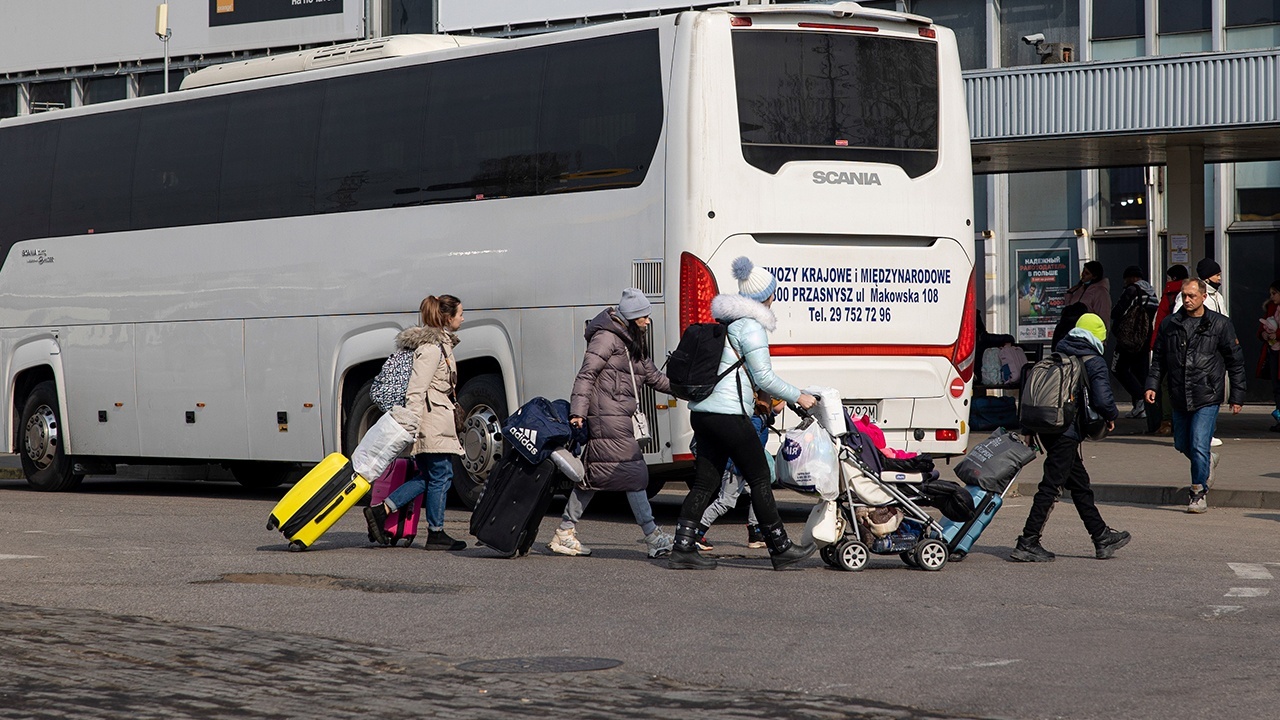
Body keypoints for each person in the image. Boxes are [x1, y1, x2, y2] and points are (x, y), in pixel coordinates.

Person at [668, 257, 818, 571]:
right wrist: (799, 396)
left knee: (706, 483)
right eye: (773, 293)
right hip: (728, 416)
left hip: (704, 414)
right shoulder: (751, 326)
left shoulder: (727, 322)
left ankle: (683, 546)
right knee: (760, 478)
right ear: (765, 296)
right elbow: (764, 378)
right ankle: (780, 547)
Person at [550, 288, 674, 558]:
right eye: (643, 316)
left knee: (594, 475)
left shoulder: (630, 340)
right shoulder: (606, 338)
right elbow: (586, 374)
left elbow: (653, 376)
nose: (648, 321)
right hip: (607, 416)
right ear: (631, 317)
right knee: (633, 474)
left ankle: (565, 532)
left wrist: (686, 390)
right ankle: (653, 537)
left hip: (617, 416)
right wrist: (578, 412)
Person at [1010, 313, 1130, 563]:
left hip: (1047, 427)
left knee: (1080, 485)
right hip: (1067, 431)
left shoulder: (1056, 355)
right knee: (1051, 485)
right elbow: (1104, 400)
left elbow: (1037, 394)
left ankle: (1101, 537)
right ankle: (1028, 541)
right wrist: (1111, 415)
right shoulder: (1093, 360)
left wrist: (1028, 428)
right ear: (1098, 336)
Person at [364, 295, 468, 551]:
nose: (463, 318)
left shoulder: (441, 345)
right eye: (460, 314)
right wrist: (411, 424)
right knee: (442, 475)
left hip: (435, 418)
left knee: (430, 475)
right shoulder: (431, 349)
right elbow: (416, 389)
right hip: (430, 421)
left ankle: (382, 511)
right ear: (447, 317)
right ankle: (435, 532)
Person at [1145, 278, 1246, 514]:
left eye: (1191, 295)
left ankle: (1198, 492)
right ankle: (1207, 461)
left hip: (1207, 394)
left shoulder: (1220, 324)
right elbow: (1158, 359)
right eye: (1184, 295)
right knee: (1182, 443)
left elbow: (1236, 361)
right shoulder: (1170, 324)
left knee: (1199, 443)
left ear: (1203, 297)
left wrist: (1238, 396)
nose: (1187, 300)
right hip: (1179, 393)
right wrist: (1151, 384)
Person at [696, 392, 782, 551]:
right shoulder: (755, 421)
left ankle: (755, 534)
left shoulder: (761, 418)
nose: (780, 407)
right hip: (736, 467)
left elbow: (772, 415)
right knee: (725, 502)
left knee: (760, 495)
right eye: (776, 403)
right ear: (766, 404)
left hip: (745, 466)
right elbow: (746, 445)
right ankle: (697, 531)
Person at [1147, 264, 1190, 435]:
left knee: (1165, 383)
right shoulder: (1193, 295)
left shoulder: (1169, 294)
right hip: (1188, 346)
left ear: (1172, 278)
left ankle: (1167, 420)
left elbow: (1159, 322)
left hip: (1167, 344)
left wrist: (1154, 345)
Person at [1110, 265, 1158, 419]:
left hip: (1127, 338)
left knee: (1118, 368)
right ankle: (1145, 407)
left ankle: (1139, 399)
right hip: (1144, 337)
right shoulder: (1151, 292)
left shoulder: (1131, 291)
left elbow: (1117, 312)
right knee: (1141, 372)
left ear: (1131, 278)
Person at [1255, 280, 1280, 432]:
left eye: (1274, 293)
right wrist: (1264, 334)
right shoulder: (1271, 307)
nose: (1272, 297)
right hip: (1274, 351)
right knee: (1277, 386)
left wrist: (1276, 334)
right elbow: (1261, 328)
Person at [1062, 261, 1112, 331]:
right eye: (1083, 271)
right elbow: (1070, 308)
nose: (1083, 275)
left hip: (1089, 331)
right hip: (1075, 329)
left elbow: (1103, 316)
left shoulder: (1101, 292)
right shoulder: (1080, 289)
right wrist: (1070, 293)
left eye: (1087, 273)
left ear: (1094, 276)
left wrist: (1102, 337)